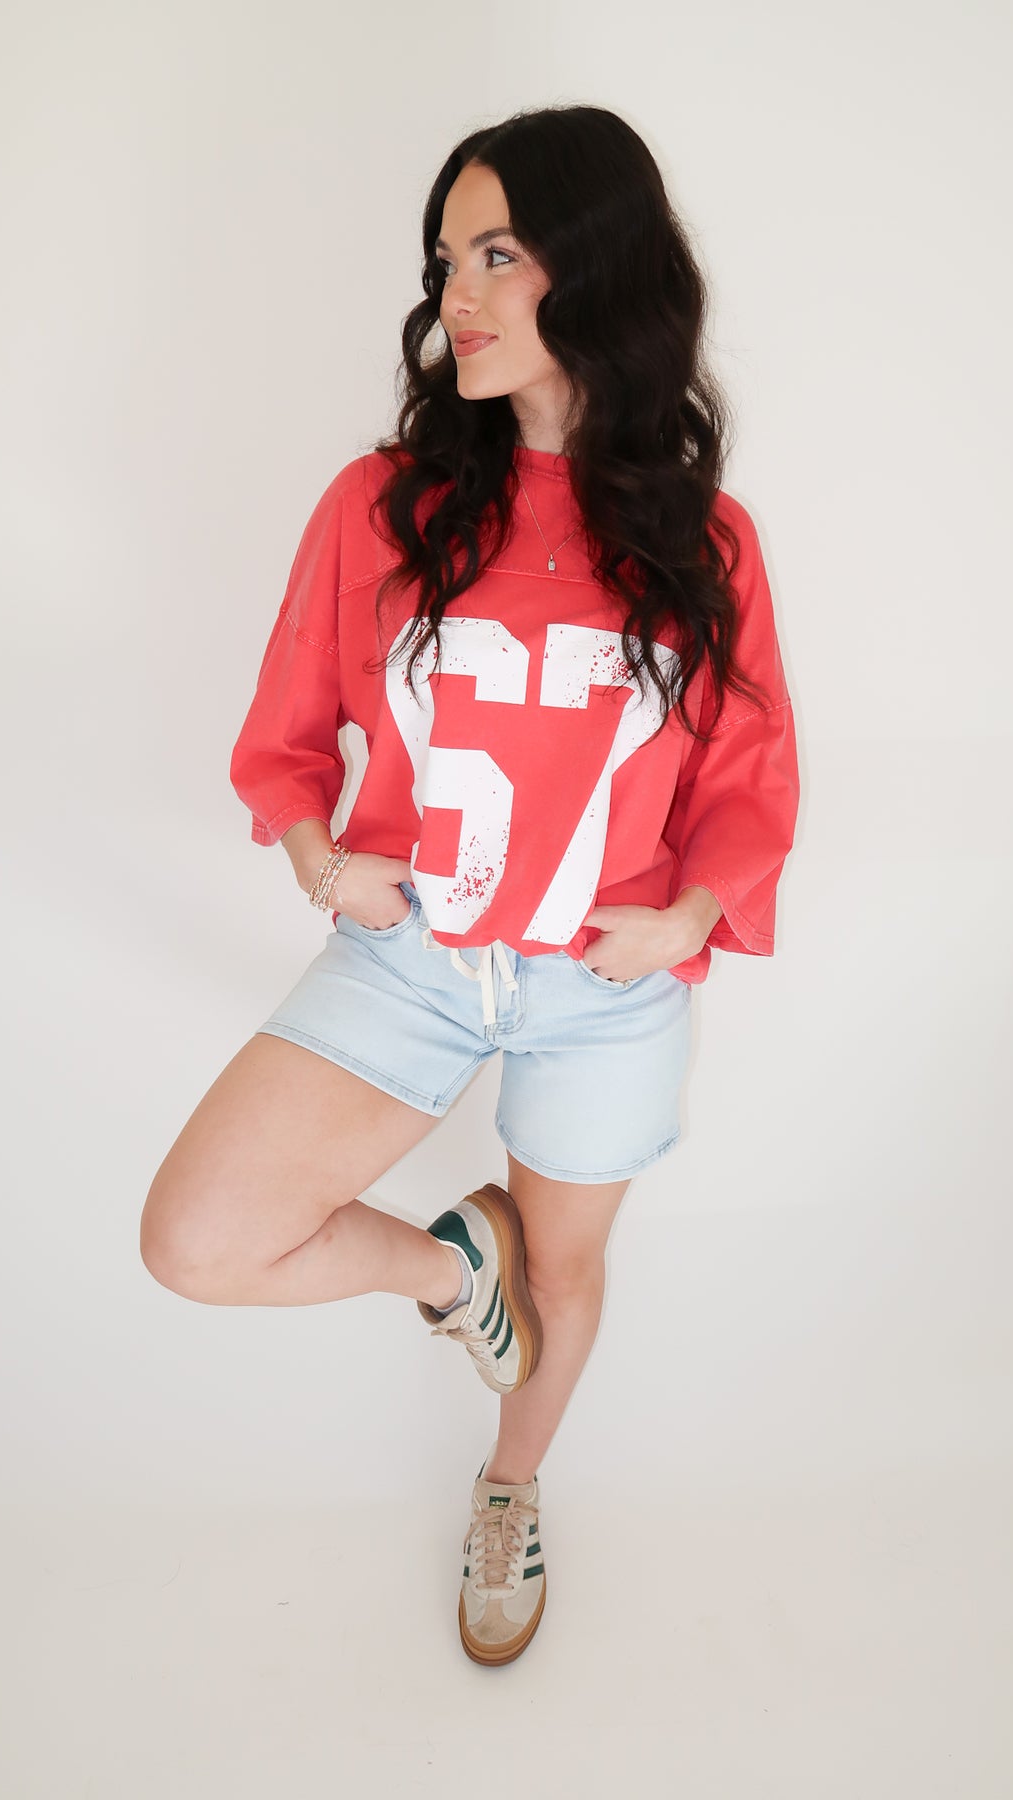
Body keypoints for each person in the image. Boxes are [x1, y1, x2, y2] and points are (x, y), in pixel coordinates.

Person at [140, 102, 800, 1668]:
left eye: (499, 254)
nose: (461, 296)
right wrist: (321, 860)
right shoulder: (382, 506)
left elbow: (750, 778)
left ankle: (511, 1487)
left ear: (601, 266)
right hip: (417, 955)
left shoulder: (705, 540)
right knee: (200, 1237)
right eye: (448, 261)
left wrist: (685, 918)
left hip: (605, 985)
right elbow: (286, 734)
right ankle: (454, 1268)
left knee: (569, 1272)